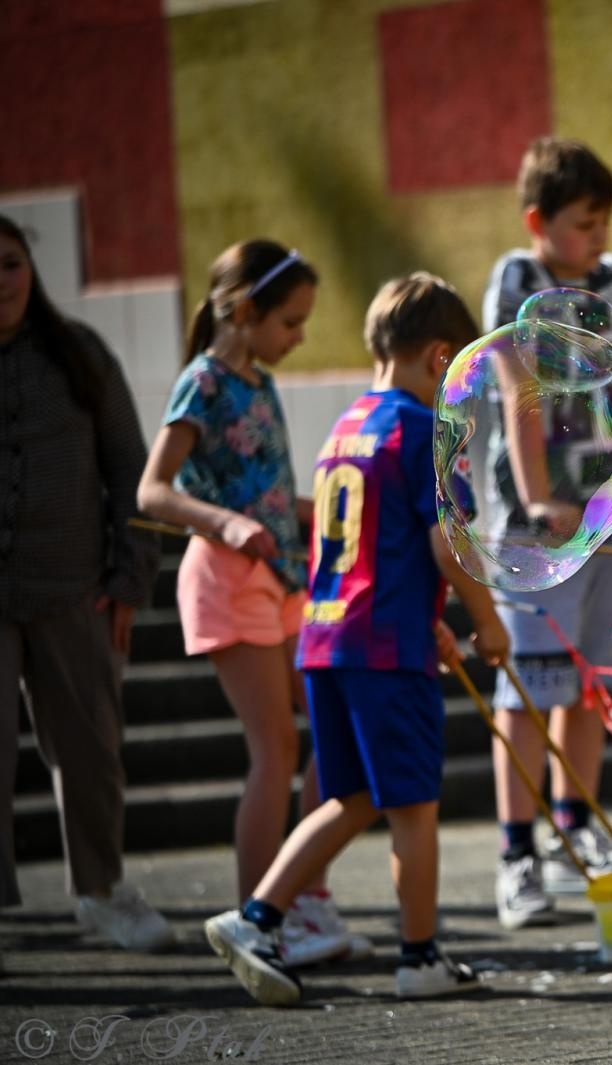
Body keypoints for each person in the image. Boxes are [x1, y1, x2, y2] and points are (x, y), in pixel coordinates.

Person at [203, 272, 510, 1004]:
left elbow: (376, 545)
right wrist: (488, 621)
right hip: (384, 648)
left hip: (329, 638)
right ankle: (420, 957)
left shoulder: (346, 429)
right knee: (414, 806)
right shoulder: (425, 430)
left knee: (352, 796)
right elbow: (447, 546)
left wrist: (427, 618)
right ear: (439, 357)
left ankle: (255, 916)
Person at [137, 240, 356, 967]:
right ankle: (256, 920)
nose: (299, 336)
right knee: (276, 749)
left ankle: (304, 897)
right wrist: (226, 524)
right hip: (226, 581)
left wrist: (335, 509)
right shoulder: (201, 382)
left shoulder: (259, 382)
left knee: (333, 730)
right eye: (290, 322)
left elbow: (268, 493)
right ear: (243, 310)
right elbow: (153, 490)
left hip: (287, 581)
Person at [480, 137, 612, 928]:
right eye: (584, 223)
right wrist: (538, 499)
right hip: (539, 524)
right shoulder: (517, 281)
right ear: (538, 222)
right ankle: (517, 854)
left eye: (604, 221)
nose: (599, 237)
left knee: (588, 680)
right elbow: (517, 390)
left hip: (606, 514)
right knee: (532, 686)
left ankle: (573, 829)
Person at [0, 215, 171, 952]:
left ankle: (101, 890)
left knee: (92, 749)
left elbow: (131, 469)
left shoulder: (79, 354)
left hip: (73, 588)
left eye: (10, 263)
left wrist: (130, 578)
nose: (1, 281)